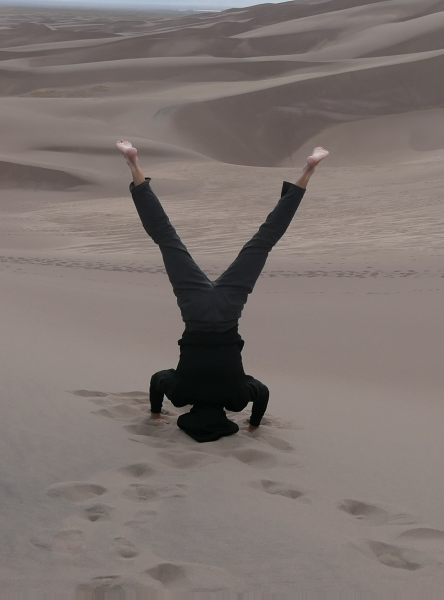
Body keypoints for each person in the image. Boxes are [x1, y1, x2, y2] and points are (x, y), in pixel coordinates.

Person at [122, 140, 323, 442]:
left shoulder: (236, 398)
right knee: (166, 237)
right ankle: (134, 165)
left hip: (229, 308)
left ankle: (308, 171)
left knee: (264, 240)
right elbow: (156, 381)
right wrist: (155, 412)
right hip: (195, 309)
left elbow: (263, 393)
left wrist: (253, 422)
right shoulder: (180, 394)